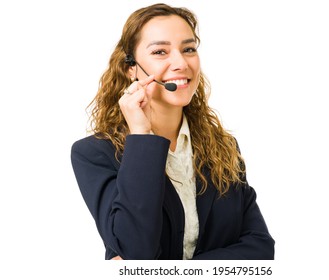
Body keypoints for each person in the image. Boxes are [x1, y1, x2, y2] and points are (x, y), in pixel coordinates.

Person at [71, 3, 274, 260]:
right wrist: (141, 138)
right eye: (160, 51)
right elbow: (137, 256)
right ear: (130, 67)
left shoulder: (224, 147)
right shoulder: (95, 153)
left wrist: (177, 271)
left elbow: (260, 247)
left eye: (188, 49)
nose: (180, 63)